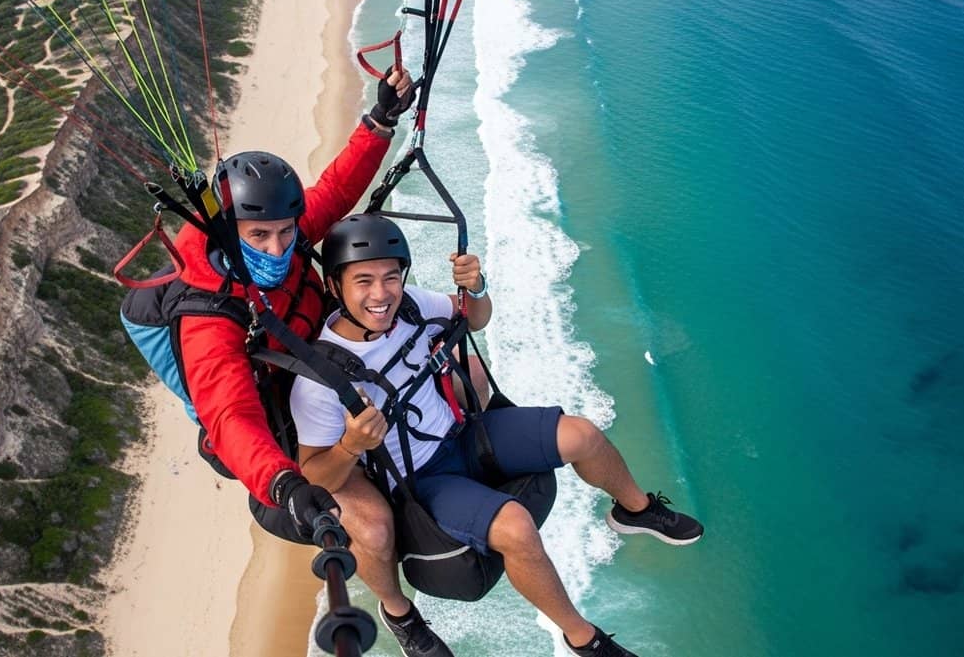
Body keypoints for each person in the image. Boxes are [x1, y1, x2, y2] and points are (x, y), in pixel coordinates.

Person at [288, 214, 704, 657]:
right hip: (422, 479)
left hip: (465, 435)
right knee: (516, 528)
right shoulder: (321, 378)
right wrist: (351, 445)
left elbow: (475, 318)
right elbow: (314, 475)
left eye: (391, 277)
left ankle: (635, 511)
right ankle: (584, 640)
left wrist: (477, 287)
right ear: (335, 287)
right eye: (364, 281)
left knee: (582, 434)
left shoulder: (410, 306)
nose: (381, 294)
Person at [120, 70, 416, 535]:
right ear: (227, 231)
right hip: (280, 417)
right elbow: (230, 413)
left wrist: (379, 122)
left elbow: (335, 191)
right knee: (373, 523)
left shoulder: (288, 233)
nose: (278, 249)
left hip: (321, 371)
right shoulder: (209, 318)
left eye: (285, 232)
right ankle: (397, 609)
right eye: (259, 236)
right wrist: (284, 485)